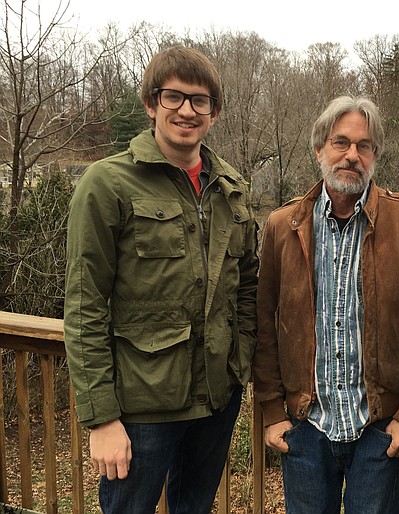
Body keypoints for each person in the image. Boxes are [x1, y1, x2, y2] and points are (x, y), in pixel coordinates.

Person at [63, 45, 258, 514]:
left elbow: (247, 287)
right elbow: (85, 304)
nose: (187, 110)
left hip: (216, 402)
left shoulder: (232, 189)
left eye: (201, 100)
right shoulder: (107, 183)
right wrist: (101, 419)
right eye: (174, 97)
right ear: (151, 104)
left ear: (214, 112)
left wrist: (239, 364)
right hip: (139, 412)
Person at [252, 95, 399, 514]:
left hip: (379, 429)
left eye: (364, 146)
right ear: (319, 150)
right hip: (305, 426)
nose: (352, 155)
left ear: (375, 156)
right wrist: (271, 410)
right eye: (341, 142)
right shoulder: (285, 226)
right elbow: (263, 322)